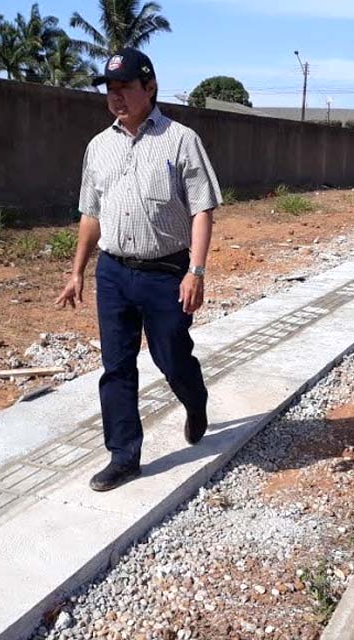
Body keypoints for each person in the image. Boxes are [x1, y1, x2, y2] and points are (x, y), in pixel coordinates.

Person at [55, 48, 221, 492]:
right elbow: (91, 215)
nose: (116, 97)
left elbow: (202, 210)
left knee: (170, 355)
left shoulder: (180, 140)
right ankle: (124, 456)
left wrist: (197, 272)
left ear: (149, 87)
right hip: (113, 272)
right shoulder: (98, 147)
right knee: (116, 367)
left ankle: (195, 398)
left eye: (125, 87)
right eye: (110, 89)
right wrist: (78, 272)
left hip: (165, 272)